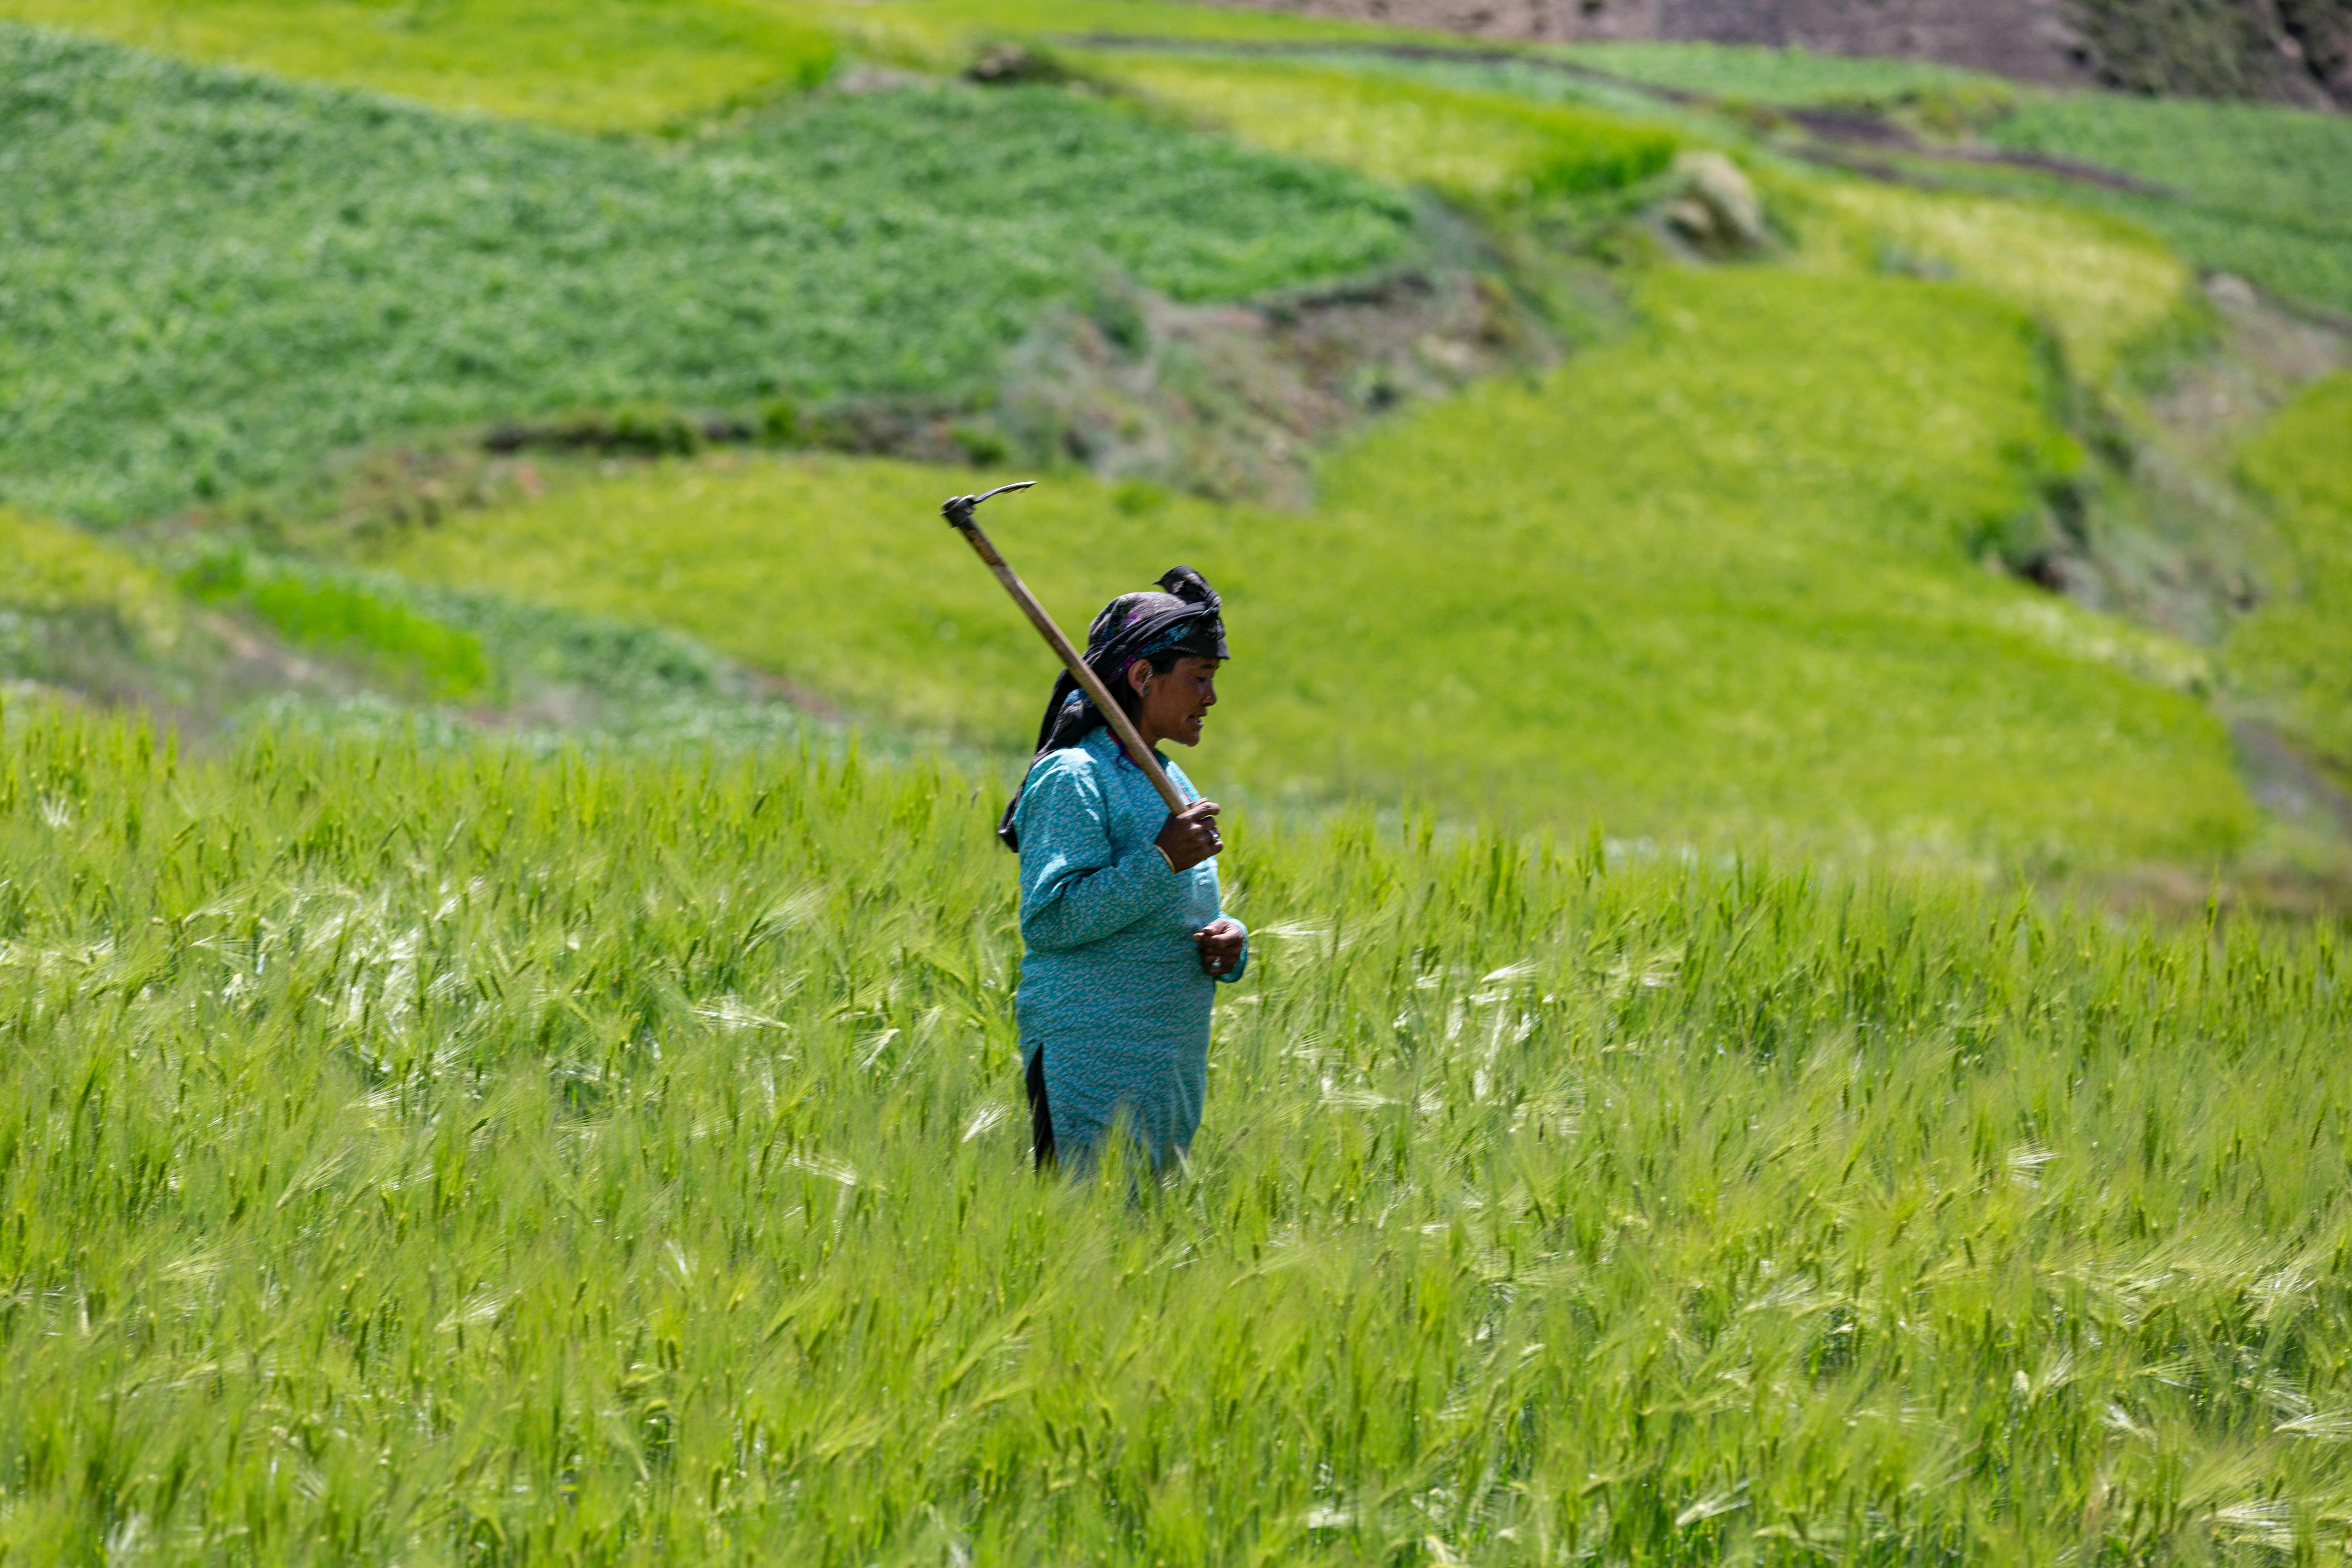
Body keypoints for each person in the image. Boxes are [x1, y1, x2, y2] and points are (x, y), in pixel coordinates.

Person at [1000, 566, 1249, 1177]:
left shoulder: (1168, 778)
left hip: (1165, 1069)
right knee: (1078, 1244)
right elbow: (1053, 919)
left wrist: (1229, 939)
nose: (1211, 699)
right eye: (1199, 678)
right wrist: (1162, 860)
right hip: (1090, 1065)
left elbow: (1172, 908)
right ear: (1142, 677)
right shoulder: (1074, 777)